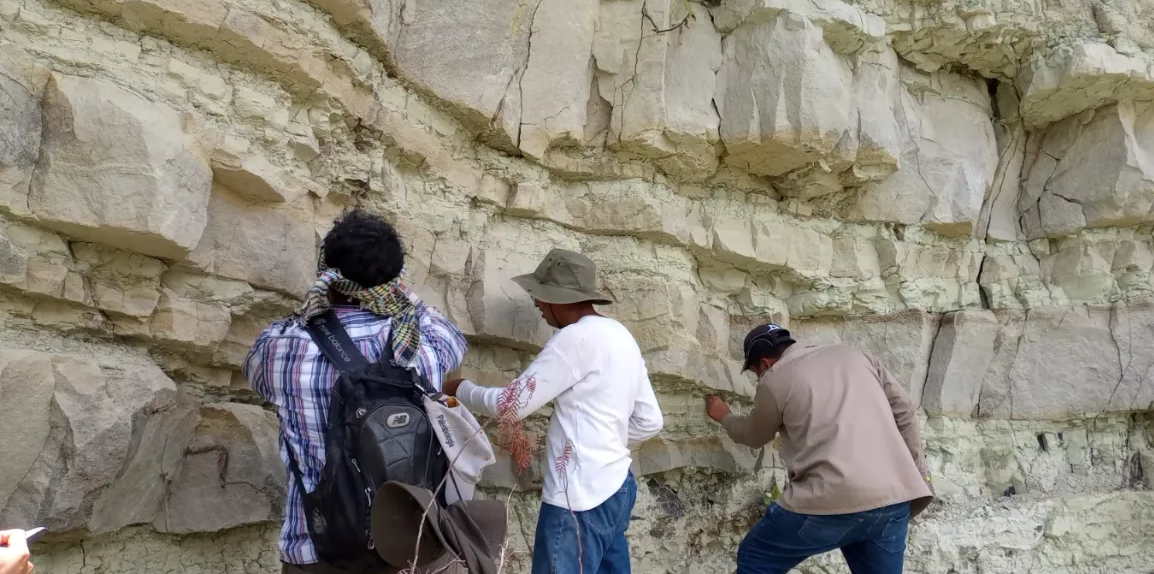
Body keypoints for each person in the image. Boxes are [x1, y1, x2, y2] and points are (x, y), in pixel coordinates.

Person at [243, 209, 470, 574]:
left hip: (317, 551)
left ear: (326, 276)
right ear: (396, 281)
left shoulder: (280, 349)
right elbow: (452, 335)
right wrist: (398, 294)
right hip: (411, 549)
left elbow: (254, 371)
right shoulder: (425, 346)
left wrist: (317, 304)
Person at [445, 248, 663, 574]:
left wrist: (459, 389)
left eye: (540, 297)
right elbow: (650, 421)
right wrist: (602, 441)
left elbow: (511, 406)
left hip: (577, 499)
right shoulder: (621, 336)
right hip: (617, 487)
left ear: (559, 299)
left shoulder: (574, 339)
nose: (537, 305)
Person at [705, 323, 934, 574]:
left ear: (765, 363)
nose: (759, 378)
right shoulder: (857, 356)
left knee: (756, 557)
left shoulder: (774, 380)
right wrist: (919, 474)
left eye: (755, 372)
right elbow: (905, 412)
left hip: (827, 503)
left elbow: (753, 435)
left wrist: (724, 416)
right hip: (893, 501)